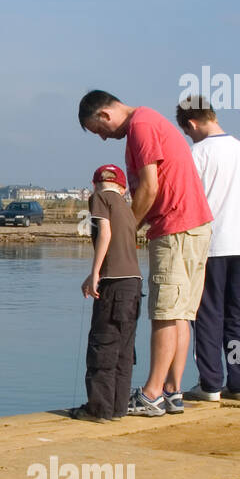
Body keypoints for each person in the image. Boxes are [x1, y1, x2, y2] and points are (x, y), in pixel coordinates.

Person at [78, 90, 212, 417]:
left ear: (104, 115)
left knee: (165, 311)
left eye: (98, 130)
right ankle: (172, 391)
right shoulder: (149, 121)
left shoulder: (141, 125)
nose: (103, 138)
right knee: (180, 312)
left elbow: (150, 186)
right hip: (194, 224)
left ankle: (151, 394)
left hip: (175, 226)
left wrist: (128, 228)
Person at [176, 102, 240, 402]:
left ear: (192, 124)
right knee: (236, 315)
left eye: (187, 132)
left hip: (211, 244)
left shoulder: (199, 152)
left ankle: (210, 382)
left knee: (207, 314)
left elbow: (187, 195)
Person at [70, 164, 141, 421]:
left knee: (103, 344)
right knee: (124, 348)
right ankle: (117, 408)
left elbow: (105, 234)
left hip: (113, 283)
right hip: (134, 282)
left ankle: (98, 408)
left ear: (94, 184)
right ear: (122, 187)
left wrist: (96, 273)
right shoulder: (127, 208)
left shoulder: (99, 198)